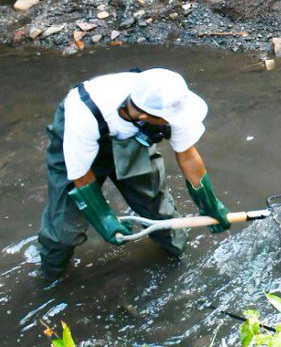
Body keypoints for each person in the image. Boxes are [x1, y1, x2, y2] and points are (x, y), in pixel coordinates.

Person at [36, 68, 231, 280]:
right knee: (64, 232)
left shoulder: (169, 102)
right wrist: (104, 219)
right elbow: (81, 176)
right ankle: (50, 280)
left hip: (133, 141)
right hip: (79, 141)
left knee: (159, 212)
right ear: (147, 116)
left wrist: (209, 203)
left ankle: (177, 266)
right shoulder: (83, 115)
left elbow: (187, 156)